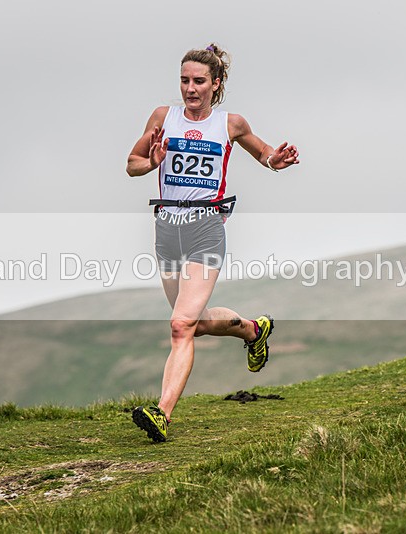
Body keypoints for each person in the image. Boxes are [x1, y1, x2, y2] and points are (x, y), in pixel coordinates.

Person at [126, 43, 299, 442]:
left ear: (215, 84)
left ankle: (161, 414)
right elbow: (131, 164)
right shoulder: (161, 117)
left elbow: (265, 154)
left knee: (180, 325)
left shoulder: (230, 124)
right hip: (167, 228)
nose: (190, 88)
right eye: (185, 80)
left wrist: (279, 159)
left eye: (199, 81)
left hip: (206, 227)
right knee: (192, 324)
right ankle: (253, 331)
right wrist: (151, 162)